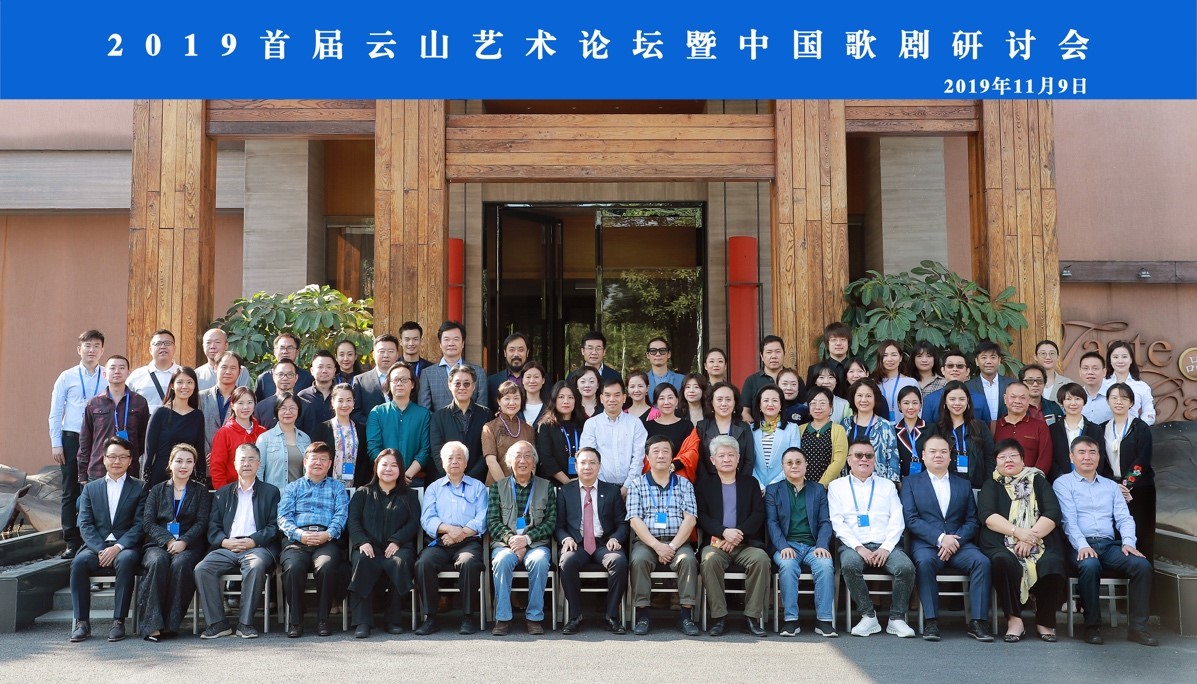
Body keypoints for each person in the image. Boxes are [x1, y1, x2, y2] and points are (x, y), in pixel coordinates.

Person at [1054, 436, 1158, 647]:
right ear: (1071, 457)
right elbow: (1068, 521)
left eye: (1092, 452)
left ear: (1099, 457)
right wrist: (1083, 545)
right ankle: (1092, 627)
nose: (1087, 457)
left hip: (1109, 546)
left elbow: (1124, 518)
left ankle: (1138, 628)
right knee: (1089, 565)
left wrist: (1128, 543)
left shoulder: (1111, 486)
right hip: (1079, 544)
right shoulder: (1063, 483)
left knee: (1142, 566)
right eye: (1081, 452)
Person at [899, 434, 994, 642]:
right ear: (923, 456)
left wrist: (955, 540)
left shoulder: (963, 484)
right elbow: (911, 519)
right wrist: (941, 538)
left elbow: (972, 520)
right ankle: (931, 621)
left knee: (982, 562)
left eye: (943, 451)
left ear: (950, 457)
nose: (938, 455)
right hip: (927, 544)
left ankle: (978, 622)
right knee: (924, 563)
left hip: (959, 543)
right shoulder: (910, 483)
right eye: (932, 451)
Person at [977, 439, 1065, 643]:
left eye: (1013, 456)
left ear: (1023, 460)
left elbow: (1052, 512)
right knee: (1002, 561)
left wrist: (1031, 537)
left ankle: (1044, 621)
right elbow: (987, 516)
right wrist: (1018, 533)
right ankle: (1014, 620)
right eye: (1002, 457)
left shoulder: (1038, 481)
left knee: (1052, 563)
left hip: (1040, 539)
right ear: (996, 462)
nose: (1008, 460)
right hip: (1001, 541)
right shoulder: (991, 484)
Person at [827, 437, 916, 638]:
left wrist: (886, 547)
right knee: (850, 565)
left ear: (874, 460)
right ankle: (868, 616)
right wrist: (859, 547)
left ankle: (897, 619)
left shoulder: (887, 485)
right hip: (853, 546)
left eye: (869, 456)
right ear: (849, 459)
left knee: (906, 568)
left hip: (886, 544)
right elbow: (837, 523)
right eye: (858, 455)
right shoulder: (836, 486)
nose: (864, 459)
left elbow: (897, 519)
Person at [194, 443, 281, 640]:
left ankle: (245, 623)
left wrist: (253, 540)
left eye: (251, 459)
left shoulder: (271, 492)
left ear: (259, 464)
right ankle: (218, 624)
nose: (246, 464)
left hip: (257, 547)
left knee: (255, 566)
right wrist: (224, 542)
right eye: (242, 459)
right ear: (234, 464)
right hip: (228, 546)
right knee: (202, 568)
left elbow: (274, 526)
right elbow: (213, 526)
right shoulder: (222, 493)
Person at [68, 437, 146, 643]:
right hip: (96, 547)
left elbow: (140, 524)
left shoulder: (140, 487)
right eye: (112, 456)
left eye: (122, 457)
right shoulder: (90, 489)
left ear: (130, 460)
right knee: (78, 563)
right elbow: (85, 524)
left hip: (125, 546)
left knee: (126, 560)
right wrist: (101, 549)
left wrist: (117, 547)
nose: (116, 461)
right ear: (104, 459)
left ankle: (118, 621)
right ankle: (82, 623)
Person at [626, 435, 701, 636]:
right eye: (656, 451)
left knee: (688, 560)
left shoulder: (684, 484)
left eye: (665, 451)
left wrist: (672, 546)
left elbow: (690, 519)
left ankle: (686, 616)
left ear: (672, 456)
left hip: (678, 542)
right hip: (647, 543)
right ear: (647, 457)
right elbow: (635, 521)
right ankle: (643, 614)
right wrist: (657, 546)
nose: (661, 455)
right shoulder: (637, 484)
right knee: (639, 560)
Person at [136, 444, 212, 641]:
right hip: (158, 544)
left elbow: (202, 522)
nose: (183, 466)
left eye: (189, 461)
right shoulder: (157, 490)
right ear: (170, 463)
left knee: (181, 563)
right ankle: (152, 625)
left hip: (189, 545)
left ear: (194, 465)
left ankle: (171, 624)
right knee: (158, 561)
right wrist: (168, 540)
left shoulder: (201, 491)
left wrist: (184, 541)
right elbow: (148, 522)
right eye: (179, 461)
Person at [697, 435, 770, 637]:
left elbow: (758, 514)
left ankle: (751, 618)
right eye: (721, 456)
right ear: (713, 460)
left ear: (738, 458)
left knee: (761, 560)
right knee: (709, 560)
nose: (727, 459)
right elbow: (701, 516)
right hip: (716, 543)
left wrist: (737, 535)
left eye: (731, 455)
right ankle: (719, 618)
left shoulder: (751, 483)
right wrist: (723, 533)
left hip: (746, 544)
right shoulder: (704, 485)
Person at [414, 441, 488, 636]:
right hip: (441, 541)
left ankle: (468, 617)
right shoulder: (433, 488)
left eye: (459, 458)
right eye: (450, 458)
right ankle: (430, 617)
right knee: (423, 563)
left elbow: (482, 518)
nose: (454, 461)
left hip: (468, 541)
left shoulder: (478, 487)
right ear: (442, 462)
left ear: (466, 463)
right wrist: (449, 530)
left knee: (468, 562)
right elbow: (427, 519)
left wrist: (460, 534)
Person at [278, 442, 350, 638]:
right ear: (305, 462)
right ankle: (296, 621)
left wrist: (328, 534)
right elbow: (283, 517)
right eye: (314, 458)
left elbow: (341, 515)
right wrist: (300, 534)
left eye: (323, 459)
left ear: (330, 464)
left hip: (327, 539)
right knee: (293, 568)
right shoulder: (292, 487)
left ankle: (323, 619)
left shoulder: (338, 488)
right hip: (297, 540)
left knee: (326, 566)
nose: (318, 463)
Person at [347, 448, 420, 638]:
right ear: (376, 467)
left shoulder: (410, 495)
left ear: (401, 469)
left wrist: (397, 541)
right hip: (368, 546)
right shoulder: (362, 493)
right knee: (362, 560)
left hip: (399, 547)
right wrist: (362, 542)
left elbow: (414, 522)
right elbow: (353, 520)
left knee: (400, 562)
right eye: (384, 464)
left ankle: (394, 620)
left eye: (394, 465)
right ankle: (362, 621)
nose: (388, 469)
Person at [556, 446, 629, 635]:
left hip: (604, 543)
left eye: (592, 463)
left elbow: (623, 523)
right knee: (566, 561)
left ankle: (612, 616)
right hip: (577, 543)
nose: (587, 467)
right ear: (576, 466)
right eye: (583, 463)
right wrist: (566, 539)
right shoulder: (565, 491)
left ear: (599, 466)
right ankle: (575, 616)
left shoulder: (612, 491)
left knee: (619, 561)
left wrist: (616, 537)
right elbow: (558, 525)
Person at [486, 441, 557, 636]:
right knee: (501, 561)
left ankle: (534, 618)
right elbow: (492, 521)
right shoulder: (497, 487)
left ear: (534, 461)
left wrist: (526, 539)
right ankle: (503, 618)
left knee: (540, 561)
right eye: (518, 456)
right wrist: (512, 540)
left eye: (527, 456)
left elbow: (550, 522)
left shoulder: (546, 487)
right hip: (505, 544)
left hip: (535, 544)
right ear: (510, 461)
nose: (523, 461)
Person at [765, 447, 837, 638]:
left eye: (798, 462)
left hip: (813, 546)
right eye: (789, 463)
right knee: (788, 565)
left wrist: (822, 545)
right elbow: (772, 523)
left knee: (825, 564)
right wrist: (783, 546)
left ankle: (824, 621)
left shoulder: (818, 490)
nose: (794, 466)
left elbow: (825, 522)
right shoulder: (773, 490)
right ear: (783, 466)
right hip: (787, 545)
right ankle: (791, 620)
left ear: (806, 465)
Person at [49, 329, 106, 559]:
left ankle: (91, 539)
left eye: (96, 346)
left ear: (102, 350)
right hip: (71, 438)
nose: (92, 350)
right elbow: (56, 412)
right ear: (79, 349)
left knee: (95, 490)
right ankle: (71, 541)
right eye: (87, 346)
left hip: (99, 440)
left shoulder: (108, 375)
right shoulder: (67, 376)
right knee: (70, 491)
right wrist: (56, 442)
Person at [1103, 382, 1157, 563]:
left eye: (1124, 398)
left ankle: (1145, 575)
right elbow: (1101, 462)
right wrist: (1115, 485)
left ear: (1131, 403)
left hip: (1140, 490)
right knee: (1116, 534)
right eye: (1114, 398)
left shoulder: (1140, 427)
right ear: (1108, 401)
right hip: (1112, 488)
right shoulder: (1102, 428)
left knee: (1141, 533)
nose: (1119, 402)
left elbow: (1142, 459)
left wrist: (1125, 486)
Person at [78, 355, 150, 484]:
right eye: (112, 368)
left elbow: (143, 437)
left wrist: (128, 455)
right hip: (98, 469)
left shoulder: (140, 402)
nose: (117, 371)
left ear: (128, 373)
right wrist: (82, 474)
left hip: (129, 470)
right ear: (105, 374)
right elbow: (85, 440)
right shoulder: (93, 403)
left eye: (121, 368)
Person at [366, 363, 432, 485]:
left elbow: (425, 450)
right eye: (395, 380)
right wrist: (390, 472)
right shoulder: (377, 413)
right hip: (384, 479)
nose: (399, 383)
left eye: (404, 379)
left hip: (413, 479)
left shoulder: (424, 415)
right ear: (389, 383)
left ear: (412, 384)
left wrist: (407, 475)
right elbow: (373, 448)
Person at [580, 378, 648, 495]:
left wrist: (627, 486)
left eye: (617, 395)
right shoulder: (592, 424)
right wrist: (603, 486)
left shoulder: (635, 423)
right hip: (600, 488)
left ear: (624, 398)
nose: (612, 399)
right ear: (601, 398)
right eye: (607, 395)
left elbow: (638, 458)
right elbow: (589, 457)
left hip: (632, 487)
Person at [428, 365, 492, 482]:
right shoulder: (438, 417)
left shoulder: (485, 414)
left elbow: (486, 451)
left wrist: (470, 478)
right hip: (446, 481)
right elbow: (437, 452)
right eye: (457, 384)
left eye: (466, 384)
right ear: (449, 385)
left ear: (474, 386)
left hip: (477, 481)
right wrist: (452, 477)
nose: (462, 387)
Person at [142, 367, 205, 487]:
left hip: (186, 475)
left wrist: (200, 482)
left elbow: (199, 451)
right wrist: (146, 481)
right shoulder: (160, 413)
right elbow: (149, 452)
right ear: (172, 385)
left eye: (189, 382)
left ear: (195, 386)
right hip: (161, 475)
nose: (185, 386)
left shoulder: (197, 416)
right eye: (180, 382)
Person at [935, 380, 997, 488]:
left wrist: (988, 485)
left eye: (962, 399)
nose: (957, 403)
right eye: (952, 399)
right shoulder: (938, 429)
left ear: (968, 400)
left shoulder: (980, 427)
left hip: (977, 486)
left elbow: (990, 457)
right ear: (945, 401)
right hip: (947, 487)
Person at [418, 321, 489, 411]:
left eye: (456, 339)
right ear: (440, 344)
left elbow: (482, 409)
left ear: (462, 344)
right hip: (439, 420)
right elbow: (425, 410)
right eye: (446, 339)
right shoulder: (427, 374)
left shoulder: (479, 372)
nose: (451, 343)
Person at [690, 382, 754, 481]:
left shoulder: (744, 427)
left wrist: (740, 483)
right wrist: (709, 483)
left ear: (735, 402)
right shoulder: (702, 427)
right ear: (712, 402)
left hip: (739, 482)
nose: (724, 404)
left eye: (728, 399)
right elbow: (699, 460)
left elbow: (749, 460)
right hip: (708, 483)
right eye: (719, 399)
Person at [208, 387, 267, 490]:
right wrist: (223, 493)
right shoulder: (224, 433)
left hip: (260, 491)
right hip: (232, 491)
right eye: (240, 403)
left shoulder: (263, 433)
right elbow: (217, 468)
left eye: (250, 402)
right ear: (232, 405)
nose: (245, 407)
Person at [841, 378, 900, 483]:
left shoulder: (885, 426)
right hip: (849, 483)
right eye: (859, 395)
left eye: (868, 396)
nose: (863, 400)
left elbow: (893, 458)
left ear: (875, 398)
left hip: (878, 484)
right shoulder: (845, 424)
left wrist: (892, 484)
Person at [312, 383, 369, 487]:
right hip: (325, 487)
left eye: (349, 400)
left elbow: (365, 462)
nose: (345, 405)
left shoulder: (361, 430)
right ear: (332, 402)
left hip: (355, 487)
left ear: (353, 403)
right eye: (340, 400)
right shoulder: (322, 429)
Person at [480, 381, 537, 485]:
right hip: (498, 485)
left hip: (524, 486)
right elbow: (491, 461)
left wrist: (526, 484)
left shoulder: (528, 428)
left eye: (516, 398)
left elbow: (532, 461)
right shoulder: (489, 427)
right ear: (499, 401)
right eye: (507, 398)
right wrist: (506, 486)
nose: (512, 403)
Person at [255, 392, 312, 492]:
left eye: (292, 408)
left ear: (298, 410)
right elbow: (258, 472)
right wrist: (261, 495)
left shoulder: (305, 439)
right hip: (275, 496)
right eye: (283, 408)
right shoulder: (265, 438)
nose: (288, 412)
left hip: (300, 495)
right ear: (277, 411)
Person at [1049, 382, 1105, 481]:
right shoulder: (1053, 430)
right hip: (1060, 481)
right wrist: (1061, 479)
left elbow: (1100, 458)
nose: (1073, 403)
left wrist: (1090, 478)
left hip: (1089, 480)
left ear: (1084, 401)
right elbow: (1050, 458)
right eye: (1068, 399)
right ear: (1062, 402)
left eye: (1077, 399)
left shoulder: (1095, 430)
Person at [993, 382, 1053, 474]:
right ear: (1005, 399)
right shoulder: (993, 427)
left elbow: (1045, 459)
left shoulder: (1040, 427)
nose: (1017, 401)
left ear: (1028, 401)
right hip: (998, 480)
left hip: (1031, 480)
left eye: (1022, 397)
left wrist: (1032, 478)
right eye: (1013, 397)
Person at [750, 384, 800, 489]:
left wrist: (773, 485)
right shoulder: (751, 429)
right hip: (756, 487)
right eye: (766, 400)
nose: (770, 404)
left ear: (781, 405)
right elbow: (748, 461)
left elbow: (793, 460)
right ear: (759, 405)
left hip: (782, 486)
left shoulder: (792, 428)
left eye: (775, 400)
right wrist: (759, 485)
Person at [535, 382, 584, 486]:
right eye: (561, 397)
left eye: (570, 397)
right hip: (554, 484)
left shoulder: (583, 424)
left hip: (581, 482)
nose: (566, 401)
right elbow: (546, 458)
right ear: (554, 400)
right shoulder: (546, 425)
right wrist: (567, 482)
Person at [797, 387, 848, 486]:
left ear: (830, 406)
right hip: (803, 486)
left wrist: (820, 486)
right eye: (813, 403)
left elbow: (839, 461)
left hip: (829, 486)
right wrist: (803, 483)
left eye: (822, 403)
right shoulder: (800, 429)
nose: (817, 407)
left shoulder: (838, 430)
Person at [920, 348, 988, 423]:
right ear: (943, 370)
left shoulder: (980, 399)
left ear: (967, 371)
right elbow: (925, 428)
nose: (955, 369)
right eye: (950, 365)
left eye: (960, 366)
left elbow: (987, 427)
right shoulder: (930, 400)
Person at [350, 334, 400, 426]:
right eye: (381, 351)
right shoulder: (360, 381)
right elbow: (355, 412)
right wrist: (374, 425)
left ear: (397, 355)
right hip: (371, 432)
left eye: (390, 351)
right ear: (373, 354)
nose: (386, 355)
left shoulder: (405, 379)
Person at [1102, 341, 1156, 425]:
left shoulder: (1142, 387)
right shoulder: (1101, 384)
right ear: (1110, 360)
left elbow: (1149, 414)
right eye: (1115, 357)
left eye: (1124, 357)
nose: (1120, 361)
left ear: (1131, 360)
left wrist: (1137, 427)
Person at [127, 329, 181, 414]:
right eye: (158, 344)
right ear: (150, 350)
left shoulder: (183, 374)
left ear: (174, 348)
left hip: (177, 422)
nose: (163, 346)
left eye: (167, 343)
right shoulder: (136, 375)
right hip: (145, 422)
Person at [198, 351, 242, 455]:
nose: (228, 372)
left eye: (233, 368)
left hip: (234, 458)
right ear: (216, 368)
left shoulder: (244, 399)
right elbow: (195, 428)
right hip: (205, 457)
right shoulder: (200, 397)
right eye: (224, 367)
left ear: (239, 372)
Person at [253, 332, 314, 401]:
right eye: (281, 348)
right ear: (274, 352)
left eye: (290, 348)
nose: (285, 351)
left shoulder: (307, 378)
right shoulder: (263, 379)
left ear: (297, 352)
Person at [965, 341, 1014, 426]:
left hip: (1007, 430)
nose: (988, 361)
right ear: (977, 361)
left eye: (993, 357)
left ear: (999, 360)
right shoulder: (968, 387)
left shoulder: (1012, 384)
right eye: (984, 357)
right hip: (977, 431)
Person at [741, 335, 787, 420]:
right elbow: (745, 411)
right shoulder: (751, 381)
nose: (774, 356)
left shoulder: (794, 380)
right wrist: (753, 426)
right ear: (761, 356)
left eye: (777, 351)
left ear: (784, 353)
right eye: (769, 352)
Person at [872, 339, 919, 423]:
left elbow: (918, 410)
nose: (889, 359)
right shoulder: (874, 383)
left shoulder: (911, 382)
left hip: (905, 428)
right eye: (885, 355)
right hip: (879, 428)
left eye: (894, 355)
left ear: (900, 358)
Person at [894, 385, 935, 480]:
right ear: (899, 405)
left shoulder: (932, 429)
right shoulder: (893, 430)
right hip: (901, 482)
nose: (911, 407)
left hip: (926, 481)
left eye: (915, 403)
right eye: (906, 403)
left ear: (920, 405)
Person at [644, 383, 694, 457]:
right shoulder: (647, 426)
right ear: (656, 403)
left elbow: (690, 453)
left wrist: (674, 464)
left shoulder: (687, 425)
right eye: (661, 398)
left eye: (670, 397)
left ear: (676, 401)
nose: (666, 402)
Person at [296, 350, 337, 437]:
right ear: (312, 370)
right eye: (320, 367)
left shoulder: (341, 395)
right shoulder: (302, 396)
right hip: (309, 444)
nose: (324, 371)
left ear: (334, 370)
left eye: (329, 367)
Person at [487, 332, 530, 408]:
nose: (516, 354)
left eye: (521, 350)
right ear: (505, 353)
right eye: (512, 350)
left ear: (527, 352)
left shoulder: (540, 380)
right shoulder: (492, 381)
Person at [254, 359, 300, 429]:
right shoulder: (261, 407)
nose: (285, 378)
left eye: (290, 374)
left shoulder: (305, 405)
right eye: (280, 374)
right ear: (274, 377)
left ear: (296, 378)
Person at [806, 321, 852, 387]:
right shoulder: (814, 369)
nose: (838, 343)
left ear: (848, 343)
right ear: (827, 343)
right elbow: (811, 393)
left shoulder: (857, 369)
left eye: (843, 339)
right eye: (834, 339)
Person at [1078, 351, 1114, 424]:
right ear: (1080, 372)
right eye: (1086, 368)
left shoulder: (1114, 396)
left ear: (1104, 372)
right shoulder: (1075, 397)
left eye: (1095, 368)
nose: (1090, 372)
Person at [520, 361, 548, 425]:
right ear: (522, 380)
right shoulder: (515, 406)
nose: (532, 381)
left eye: (536, 377)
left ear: (543, 380)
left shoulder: (550, 407)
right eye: (528, 377)